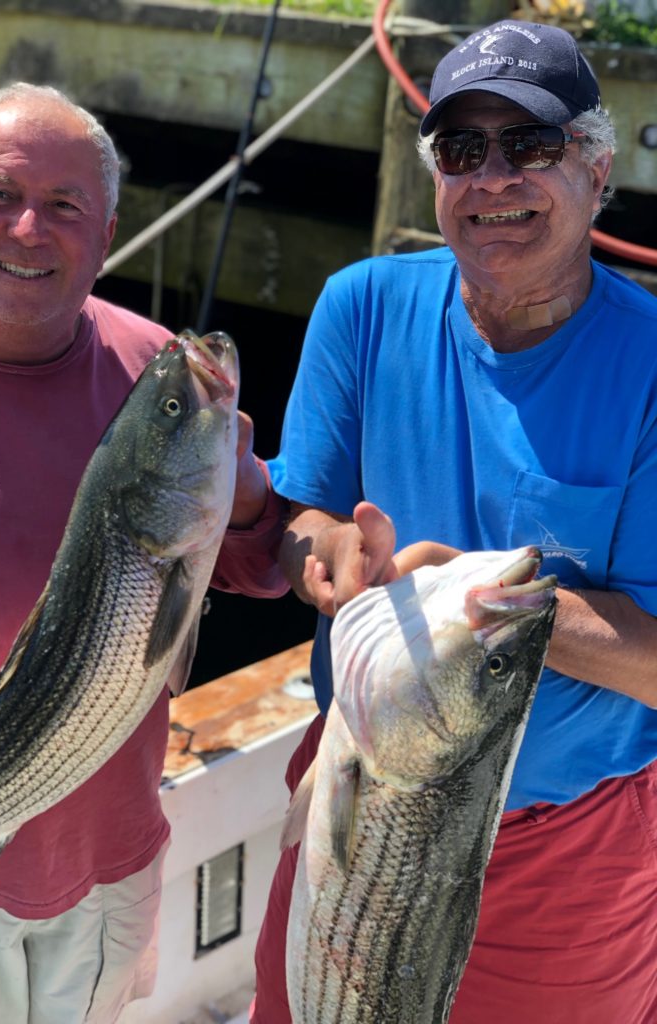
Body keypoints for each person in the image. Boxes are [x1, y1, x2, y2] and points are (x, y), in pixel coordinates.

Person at [252, 19, 657, 1024]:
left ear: (598, 170)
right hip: (354, 793)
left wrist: (492, 608)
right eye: (462, 147)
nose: (492, 176)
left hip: (568, 853)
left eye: (530, 143)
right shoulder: (359, 305)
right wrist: (327, 556)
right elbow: (304, 514)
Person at [0, 82, 288, 1024]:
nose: (30, 228)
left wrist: (250, 503)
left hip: (108, 864)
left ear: (106, 237)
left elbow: (256, 563)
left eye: (65, 205)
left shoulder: (154, 367)